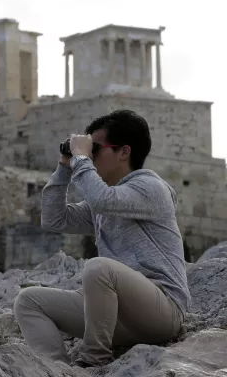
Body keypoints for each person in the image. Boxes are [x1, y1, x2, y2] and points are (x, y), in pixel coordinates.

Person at [13, 109, 189, 368]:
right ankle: (57, 369)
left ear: (124, 152)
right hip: (117, 318)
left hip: (162, 312)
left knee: (98, 267)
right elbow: (54, 219)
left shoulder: (152, 188)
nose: (90, 156)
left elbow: (101, 199)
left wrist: (81, 160)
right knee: (28, 301)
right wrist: (65, 166)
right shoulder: (105, 203)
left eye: (96, 149)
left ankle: (93, 361)